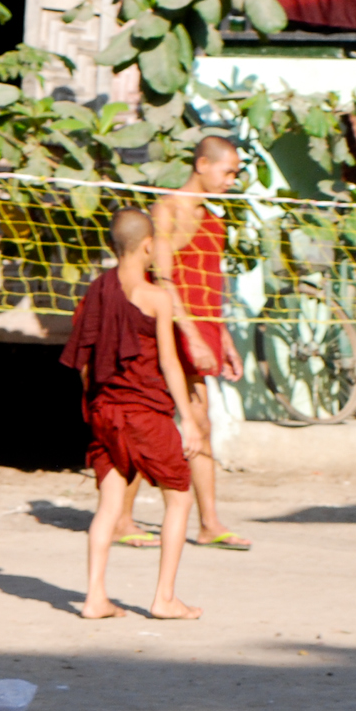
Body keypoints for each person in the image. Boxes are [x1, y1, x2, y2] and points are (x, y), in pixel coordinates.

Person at [66, 209, 202, 621]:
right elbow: (170, 362)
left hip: (104, 410)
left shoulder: (97, 289)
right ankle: (164, 598)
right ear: (147, 246)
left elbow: (85, 359)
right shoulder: (156, 296)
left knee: (109, 504)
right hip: (144, 411)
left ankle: (95, 597)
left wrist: (92, 406)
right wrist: (189, 420)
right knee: (179, 495)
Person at [134, 135, 251, 551]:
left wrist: (225, 339)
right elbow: (164, 280)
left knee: (200, 425)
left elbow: (210, 287)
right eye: (228, 171)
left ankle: (209, 523)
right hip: (169, 333)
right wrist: (190, 336)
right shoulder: (166, 211)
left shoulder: (213, 219)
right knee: (145, 424)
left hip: (202, 332)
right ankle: (116, 519)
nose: (232, 180)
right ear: (202, 164)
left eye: (236, 173)